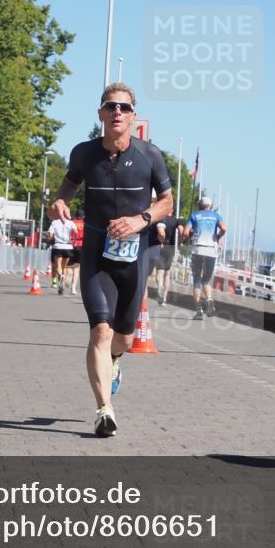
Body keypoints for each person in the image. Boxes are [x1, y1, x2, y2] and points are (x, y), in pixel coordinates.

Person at [49, 82, 173, 437]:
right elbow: (67, 188)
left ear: (134, 116)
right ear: (101, 113)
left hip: (135, 256)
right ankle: (104, 410)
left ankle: (115, 362)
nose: (117, 112)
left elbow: (167, 202)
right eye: (110, 106)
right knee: (100, 330)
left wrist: (140, 220)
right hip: (96, 253)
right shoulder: (84, 153)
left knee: (123, 339)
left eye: (124, 107)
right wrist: (58, 202)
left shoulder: (150, 155)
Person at [182, 196, 226, 320]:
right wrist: (217, 237)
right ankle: (209, 299)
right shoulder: (216, 216)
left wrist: (190, 235)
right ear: (211, 206)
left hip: (198, 249)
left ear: (200, 205)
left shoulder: (194, 215)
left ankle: (199, 311)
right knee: (206, 280)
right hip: (211, 250)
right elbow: (224, 228)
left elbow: (185, 232)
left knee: (196, 280)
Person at [153, 213, 182, 305]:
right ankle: (164, 299)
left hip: (160, 247)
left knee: (160, 272)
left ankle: (160, 287)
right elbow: (182, 230)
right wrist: (180, 242)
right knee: (167, 274)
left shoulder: (160, 218)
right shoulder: (176, 220)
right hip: (171, 248)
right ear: (172, 210)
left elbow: (161, 233)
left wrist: (161, 241)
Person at [47, 215, 77, 295]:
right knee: (64, 266)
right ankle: (61, 284)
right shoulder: (71, 222)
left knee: (57, 266)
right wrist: (73, 241)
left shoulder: (55, 222)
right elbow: (76, 232)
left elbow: (50, 235)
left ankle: (58, 278)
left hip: (58, 246)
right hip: (68, 246)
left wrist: (50, 238)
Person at [68, 209, 85, 296]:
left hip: (70, 245)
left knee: (69, 266)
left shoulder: (70, 223)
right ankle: (73, 287)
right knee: (77, 268)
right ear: (83, 216)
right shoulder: (85, 224)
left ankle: (67, 279)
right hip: (80, 246)